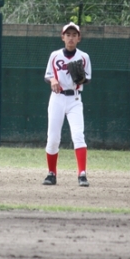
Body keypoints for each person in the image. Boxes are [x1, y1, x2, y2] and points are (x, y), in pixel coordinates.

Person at [42, 22, 92, 187]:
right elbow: (48, 75)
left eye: (74, 35)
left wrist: (81, 78)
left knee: (78, 135)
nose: (71, 38)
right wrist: (53, 80)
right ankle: (51, 173)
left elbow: (88, 79)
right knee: (53, 138)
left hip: (75, 100)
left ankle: (82, 174)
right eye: (68, 35)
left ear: (79, 38)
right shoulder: (55, 55)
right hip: (57, 98)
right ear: (62, 37)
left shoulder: (84, 57)